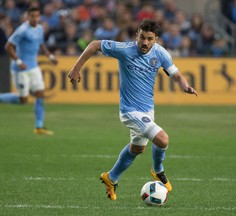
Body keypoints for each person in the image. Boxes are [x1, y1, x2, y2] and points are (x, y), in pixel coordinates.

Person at [68, 19, 198, 200]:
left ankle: (110, 178)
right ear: (137, 34)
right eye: (142, 38)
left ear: (156, 39)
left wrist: (185, 86)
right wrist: (76, 68)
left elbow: (176, 74)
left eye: (150, 39)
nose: (145, 43)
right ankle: (157, 170)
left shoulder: (161, 54)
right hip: (129, 111)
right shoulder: (125, 49)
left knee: (137, 149)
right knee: (162, 139)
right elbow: (94, 44)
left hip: (147, 110)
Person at [0, 6, 58, 135]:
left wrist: (50, 56)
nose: (35, 18)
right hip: (21, 69)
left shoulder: (39, 28)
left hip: (34, 67)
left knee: (40, 94)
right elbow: (8, 47)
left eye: (37, 16)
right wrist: (19, 61)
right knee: (23, 100)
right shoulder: (22, 30)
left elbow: (41, 43)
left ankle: (38, 127)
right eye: (32, 16)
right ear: (27, 16)